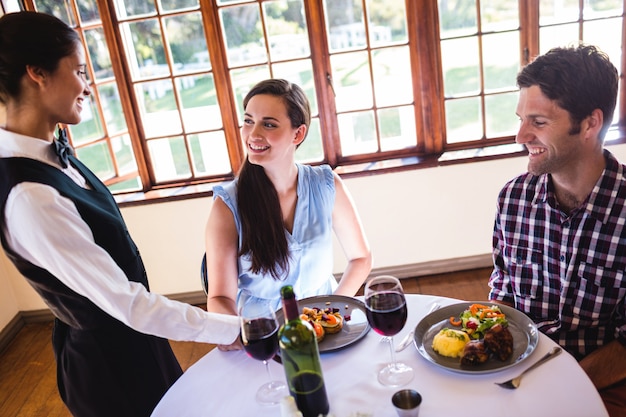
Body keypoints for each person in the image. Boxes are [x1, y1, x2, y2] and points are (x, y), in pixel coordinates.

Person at [0, 11, 240, 417]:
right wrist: (235, 328)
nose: (88, 87)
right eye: (78, 71)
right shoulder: (29, 196)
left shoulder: (54, 153)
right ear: (37, 73)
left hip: (137, 340)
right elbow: (125, 302)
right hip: (110, 370)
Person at [489, 44, 626, 416]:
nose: (520, 135)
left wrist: (558, 387)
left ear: (590, 123)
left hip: (603, 381)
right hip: (521, 372)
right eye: (520, 118)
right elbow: (503, 285)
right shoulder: (513, 198)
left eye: (538, 121)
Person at [204, 79, 372, 349]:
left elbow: (361, 258)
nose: (253, 134)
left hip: (328, 328)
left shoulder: (327, 185)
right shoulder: (227, 205)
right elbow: (219, 298)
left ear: (298, 134)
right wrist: (245, 336)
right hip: (265, 337)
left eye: (268, 124)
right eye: (248, 121)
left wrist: (334, 312)